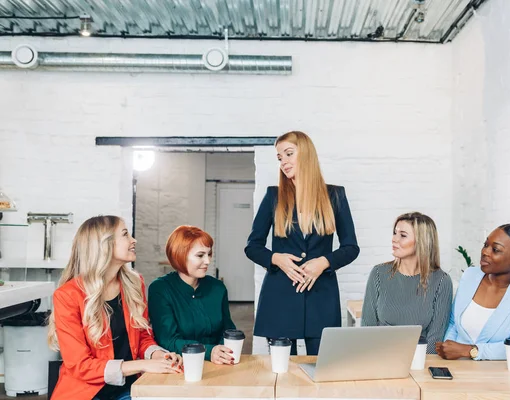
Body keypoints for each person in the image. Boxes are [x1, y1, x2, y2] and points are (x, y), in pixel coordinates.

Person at [245, 131, 359, 355]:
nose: (283, 162)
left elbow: (351, 248)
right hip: (279, 298)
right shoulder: (273, 196)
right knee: (283, 372)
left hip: (321, 298)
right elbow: (252, 246)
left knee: (321, 370)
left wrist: (324, 262)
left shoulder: (335, 196)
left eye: (288, 154)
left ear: (306, 154)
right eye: (279, 157)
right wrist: (276, 259)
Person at [48, 216, 182, 400]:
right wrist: (141, 365)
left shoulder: (135, 284)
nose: (133, 240)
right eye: (126, 235)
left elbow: (142, 336)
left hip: (127, 389)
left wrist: (157, 355)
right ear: (104, 245)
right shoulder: (67, 295)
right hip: (85, 392)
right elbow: (80, 365)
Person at [436, 223, 510, 361]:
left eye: (495, 249)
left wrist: (470, 351)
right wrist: (448, 350)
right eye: (485, 245)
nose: (485, 252)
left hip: (496, 375)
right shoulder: (470, 276)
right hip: (455, 367)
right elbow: (453, 323)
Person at [362, 212, 452, 353]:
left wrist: (419, 367)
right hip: (380, 357)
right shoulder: (379, 273)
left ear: (422, 241)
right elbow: (367, 328)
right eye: (394, 233)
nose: (394, 239)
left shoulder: (441, 280)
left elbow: (435, 338)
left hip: (420, 361)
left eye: (403, 235)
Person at [148, 226, 237, 365]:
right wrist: (209, 351)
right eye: (200, 255)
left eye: (209, 254)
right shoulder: (160, 289)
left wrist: (222, 352)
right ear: (180, 255)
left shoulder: (217, 288)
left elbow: (228, 331)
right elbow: (168, 340)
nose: (207, 261)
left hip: (218, 364)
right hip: (179, 365)